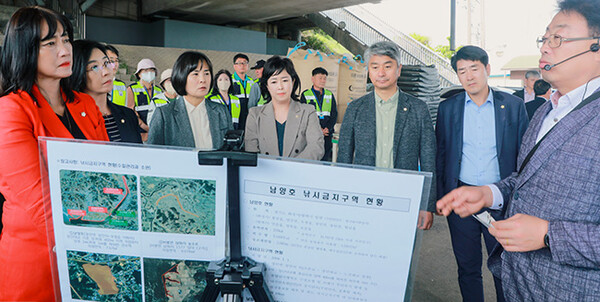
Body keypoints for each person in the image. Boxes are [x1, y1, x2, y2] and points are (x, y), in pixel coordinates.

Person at [437, 0, 600, 300]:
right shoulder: (546, 112)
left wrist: (549, 235)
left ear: (596, 46)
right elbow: (524, 179)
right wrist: (490, 193)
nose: (544, 48)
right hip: (521, 283)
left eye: (558, 38)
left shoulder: (515, 107)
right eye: (544, 38)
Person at [0, 7, 109, 300]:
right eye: (50, 43)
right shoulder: (12, 110)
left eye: (66, 39)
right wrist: (100, 245)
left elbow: (108, 174)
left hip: (94, 251)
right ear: (25, 50)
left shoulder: (84, 104)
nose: (64, 50)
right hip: (39, 260)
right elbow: (40, 202)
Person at [436, 45, 529, 302]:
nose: (469, 76)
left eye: (474, 69)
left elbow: (524, 156)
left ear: (487, 69)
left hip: (500, 200)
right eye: (462, 71)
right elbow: (442, 153)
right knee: (467, 267)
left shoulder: (512, 106)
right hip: (462, 199)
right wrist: (442, 196)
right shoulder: (448, 108)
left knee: (503, 267)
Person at [337, 41, 436, 230]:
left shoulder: (418, 109)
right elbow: (344, 158)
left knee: (400, 250)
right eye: (375, 67)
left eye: (387, 66)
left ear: (398, 69)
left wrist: (427, 204)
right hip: (364, 196)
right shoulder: (355, 109)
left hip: (404, 196)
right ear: (369, 70)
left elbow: (428, 159)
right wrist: (345, 196)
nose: (381, 73)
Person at [245, 56, 324, 160]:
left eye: (285, 80)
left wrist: (289, 168)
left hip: (298, 173)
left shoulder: (308, 112)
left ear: (293, 81)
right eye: (274, 82)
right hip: (265, 174)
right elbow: (251, 153)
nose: (280, 86)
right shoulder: (254, 115)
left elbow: (316, 147)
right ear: (267, 86)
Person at [147, 51, 232, 148]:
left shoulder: (221, 111)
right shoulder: (164, 115)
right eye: (196, 74)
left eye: (206, 73)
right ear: (181, 77)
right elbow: (153, 155)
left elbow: (231, 151)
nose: (203, 79)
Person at [70, 39, 142, 143]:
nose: (106, 72)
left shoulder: (129, 115)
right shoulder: (71, 120)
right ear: (78, 72)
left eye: (106, 63)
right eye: (94, 67)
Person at [300, 67, 338, 161]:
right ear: (313, 79)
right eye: (320, 78)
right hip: (312, 133)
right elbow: (304, 115)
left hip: (326, 134)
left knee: (325, 159)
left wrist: (327, 128)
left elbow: (334, 114)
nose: (323, 80)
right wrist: (318, 129)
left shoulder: (329, 94)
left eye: (324, 78)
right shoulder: (306, 94)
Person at [126, 58, 165, 139]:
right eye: (145, 70)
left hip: (157, 131)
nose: (149, 73)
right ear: (139, 74)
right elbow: (131, 111)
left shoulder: (158, 90)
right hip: (140, 132)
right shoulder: (132, 88)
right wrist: (144, 127)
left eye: (152, 70)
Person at [231, 53, 254, 129]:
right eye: (239, 63)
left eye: (245, 63)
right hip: (235, 117)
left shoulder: (252, 82)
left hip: (249, 116)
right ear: (234, 66)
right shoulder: (229, 81)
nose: (242, 65)